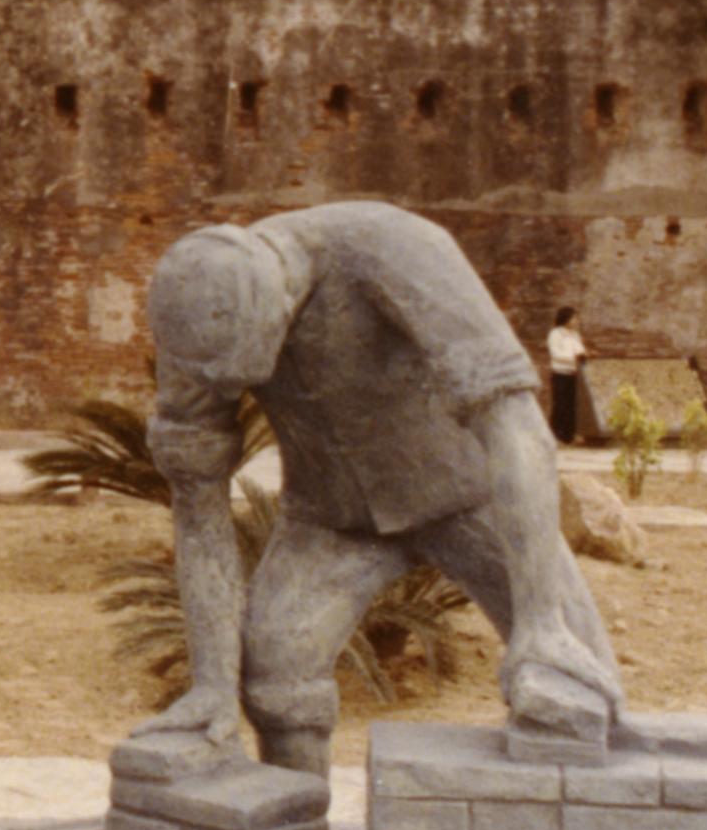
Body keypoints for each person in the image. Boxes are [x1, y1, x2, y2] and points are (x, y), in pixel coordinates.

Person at [135, 204, 630, 773]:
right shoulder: (195, 315)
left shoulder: (394, 249)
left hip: (473, 501)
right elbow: (198, 501)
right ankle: (291, 821)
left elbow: (517, 426)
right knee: (275, 670)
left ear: (282, 308)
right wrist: (212, 687)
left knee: (574, 683)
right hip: (331, 520)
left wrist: (542, 623)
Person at [546, 305, 587, 444]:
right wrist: (573, 358)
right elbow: (556, 354)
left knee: (572, 405)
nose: (576, 321)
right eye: (574, 318)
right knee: (560, 404)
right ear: (566, 318)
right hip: (560, 373)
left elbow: (580, 350)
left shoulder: (575, 335)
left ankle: (569, 435)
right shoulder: (555, 334)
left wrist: (584, 355)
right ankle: (556, 434)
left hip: (574, 374)